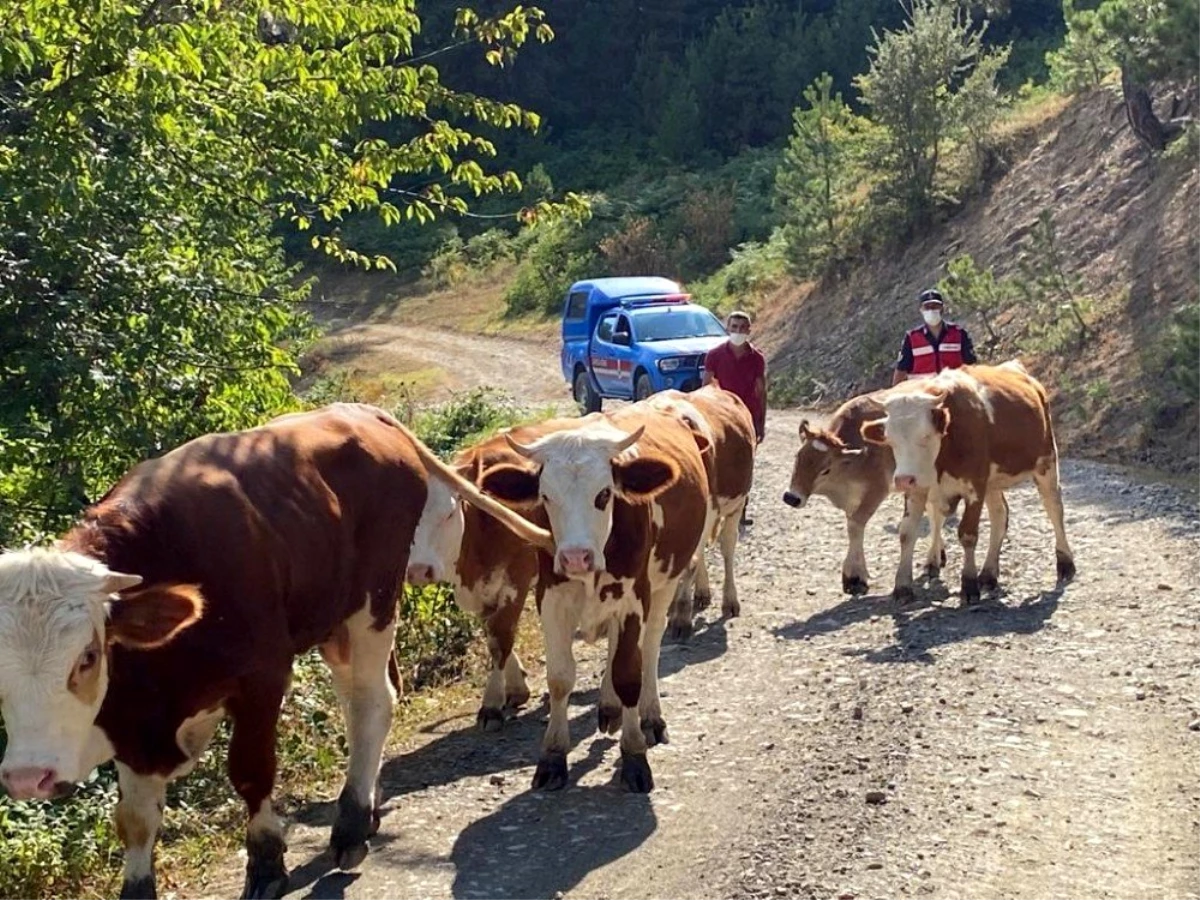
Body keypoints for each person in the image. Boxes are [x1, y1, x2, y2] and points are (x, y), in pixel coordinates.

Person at [703, 310, 767, 526]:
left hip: (746, 417)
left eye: (742, 328)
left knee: (745, 463)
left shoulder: (756, 358)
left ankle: (741, 510)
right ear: (728, 328)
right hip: (720, 416)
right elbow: (706, 386)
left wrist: (761, 422)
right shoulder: (714, 355)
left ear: (749, 330)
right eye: (734, 327)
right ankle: (713, 508)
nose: (738, 331)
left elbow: (761, 390)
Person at [892, 288, 978, 385]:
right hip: (922, 393)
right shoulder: (912, 338)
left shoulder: (959, 333)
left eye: (935, 306)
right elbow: (901, 370)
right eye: (927, 307)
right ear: (921, 310)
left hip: (953, 391)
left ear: (942, 308)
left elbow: (972, 367)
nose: (931, 310)